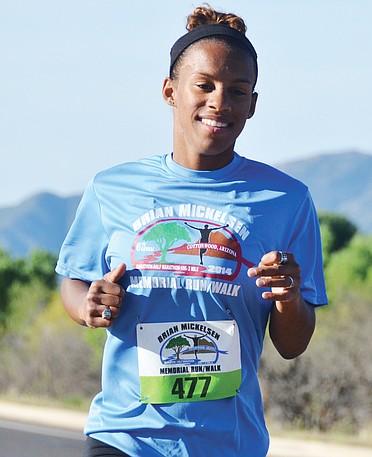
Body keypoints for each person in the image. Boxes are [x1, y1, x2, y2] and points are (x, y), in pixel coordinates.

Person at [56, 5, 327, 456]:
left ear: (253, 104)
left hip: (228, 442)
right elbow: (75, 278)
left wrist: (289, 298)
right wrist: (87, 305)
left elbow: (292, 345)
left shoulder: (286, 200)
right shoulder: (113, 188)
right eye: (204, 85)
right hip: (126, 435)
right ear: (170, 91)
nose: (220, 101)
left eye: (237, 91)